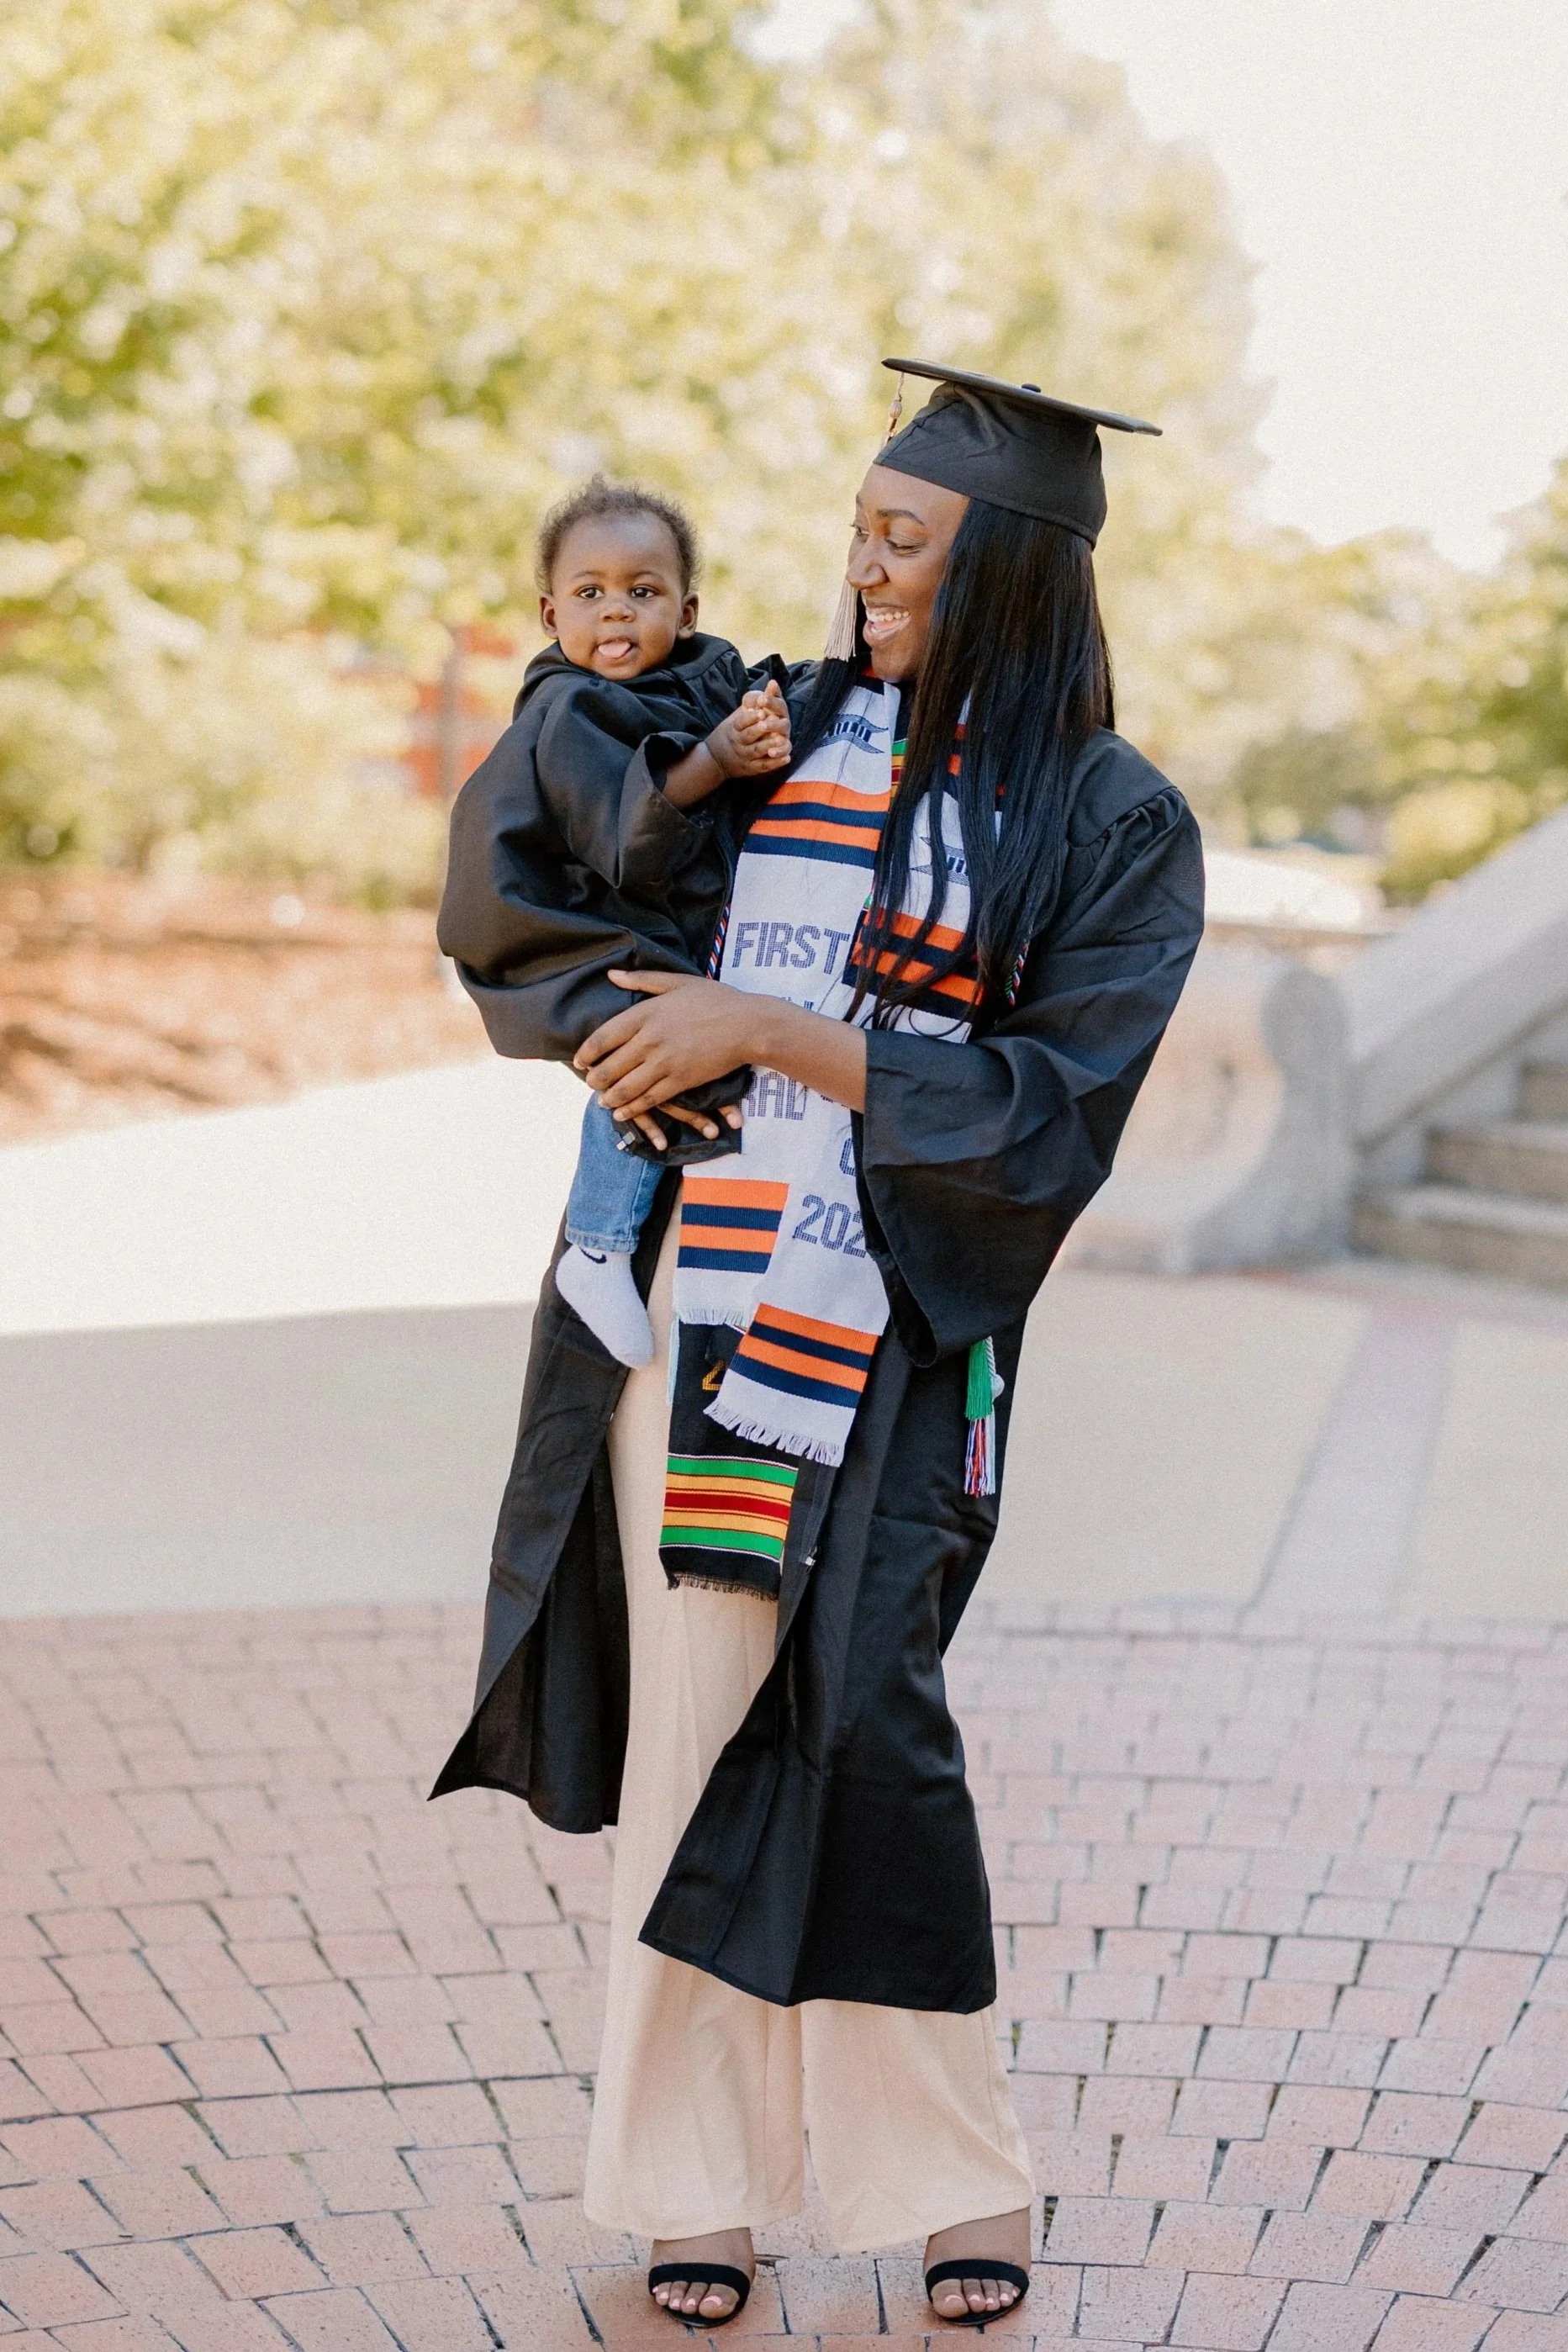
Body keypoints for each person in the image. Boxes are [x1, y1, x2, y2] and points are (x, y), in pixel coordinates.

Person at [433, 361, 1206, 2331]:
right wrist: (627, 1018)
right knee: (696, 1742)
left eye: (904, 537)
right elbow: (533, 867)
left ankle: (948, 2168)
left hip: (894, 1334)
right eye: (858, 525)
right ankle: (688, 2180)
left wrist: (765, 1030)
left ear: (1006, 565)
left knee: (869, 1735)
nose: (860, 562)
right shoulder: (763, 728)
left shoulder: (1103, 818)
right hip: (696, 1318)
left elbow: (1048, 1106)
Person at [438, 474, 792, 1370]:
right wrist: (716, 757)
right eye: (590, 593)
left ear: (686, 609)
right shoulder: (570, 708)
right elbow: (627, 828)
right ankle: (598, 1245)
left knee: (671, 1047)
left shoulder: (690, 677)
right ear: (551, 612)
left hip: (649, 918)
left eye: (643, 590)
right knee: (644, 1052)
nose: (617, 612)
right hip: (568, 924)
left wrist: (757, 717)